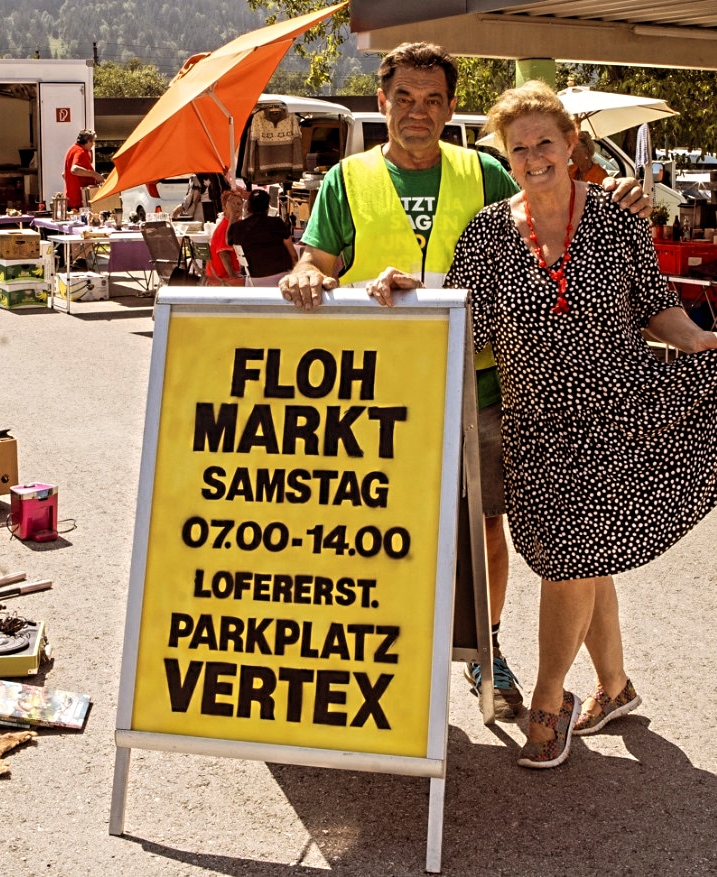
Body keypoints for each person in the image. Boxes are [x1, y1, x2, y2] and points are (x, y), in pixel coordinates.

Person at [278, 41, 651, 723]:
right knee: (375, 527)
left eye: (432, 99)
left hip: (485, 385)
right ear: (382, 101)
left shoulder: (485, 171)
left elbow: (557, 212)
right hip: (378, 391)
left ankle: (487, 646)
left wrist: (617, 198)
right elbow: (317, 260)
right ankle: (383, 656)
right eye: (403, 97)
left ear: (451, 107)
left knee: (486, 529)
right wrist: (305, 274)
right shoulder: (346, 180)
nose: (417, 112)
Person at [385, 81, 717, 768]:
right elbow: (464, 320)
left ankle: (548, 704)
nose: (533, 158)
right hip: (532, 426)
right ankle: (616, 687)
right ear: (507, 157)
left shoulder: (617, 222)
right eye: (519, 148)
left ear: (570, 143)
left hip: (613, 416)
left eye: (544, 143)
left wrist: (698, 340)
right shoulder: (489, 233)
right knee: (581, 558)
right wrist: (413, 296)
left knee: (572, 557)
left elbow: (656, 305)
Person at [227, 189, 296, 282]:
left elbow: (228, 241)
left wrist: (232, 215)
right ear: (267, 208)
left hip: (254, 281)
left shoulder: (237, 228)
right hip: (281, 279)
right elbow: (293, 255)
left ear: (248, 207)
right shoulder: (277, 223)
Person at [203, 188, 246, 285]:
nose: (236, 208)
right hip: (222, 278)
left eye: (239, 204)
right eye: (232, 205)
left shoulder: (235, 224)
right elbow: (224, 254)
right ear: (224, 208)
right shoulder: (225, 226)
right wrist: (233, 277)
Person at [63, 130, 102, 209]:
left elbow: (64, 174)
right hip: (80, 201)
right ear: (87, 141)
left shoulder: (72, 149)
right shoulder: (80, 151)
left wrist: (73, 184)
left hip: (71, 200)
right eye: (93, 141)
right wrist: (95, 175)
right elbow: (75, 170)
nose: (93, 144)